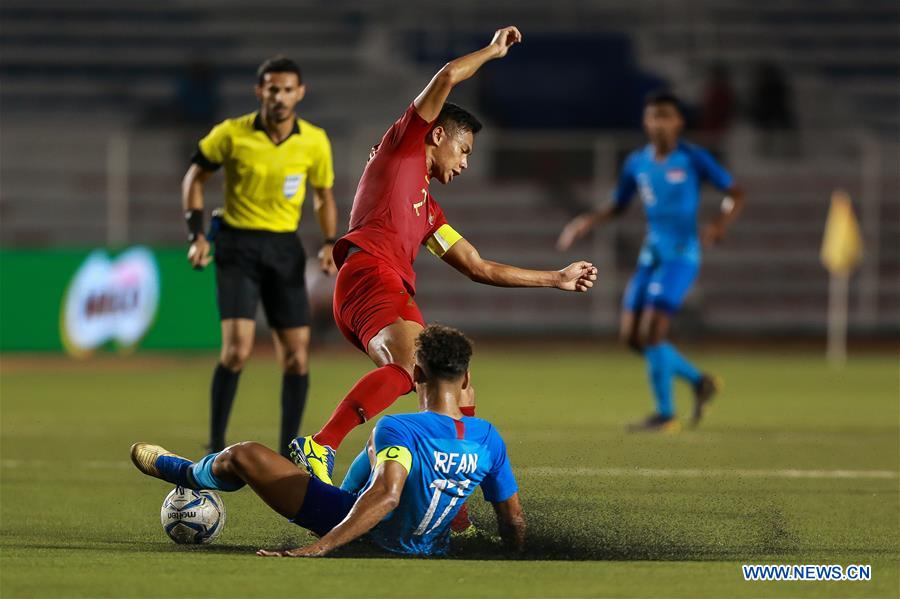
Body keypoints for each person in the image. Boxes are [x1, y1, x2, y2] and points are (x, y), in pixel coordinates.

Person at [290, 26, 597, 485]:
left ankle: (452, 507)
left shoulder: (429, 210)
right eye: (464, 149)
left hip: (383, 286)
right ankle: (320, 445)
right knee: (411, 368)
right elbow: (450, 74)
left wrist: (556, 278)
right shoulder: (403, 149)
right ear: (437, 136)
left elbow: (478, 266)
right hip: (369, 276)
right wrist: (494, 52)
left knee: (456, 379)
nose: (466, 162)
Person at [130, 325, 526, 557]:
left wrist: (318, 548)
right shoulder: (488, 438)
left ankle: (183, 471)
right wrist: (511, 554)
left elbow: (387, 497)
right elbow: (512, 519)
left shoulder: (400, 427)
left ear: (417, 374)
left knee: (246, 455)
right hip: (435, 543)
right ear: (467, 379)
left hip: (364, 531)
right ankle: (328, 479)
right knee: (378, 455)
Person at [557, 91, 745, 432]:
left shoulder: (693, 157)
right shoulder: (637, 163)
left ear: (678, 122)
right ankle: (699, 380)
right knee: (631, 337)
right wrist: (586, 219)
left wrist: (719, 225)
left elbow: (736, 193)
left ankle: (665, 413)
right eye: (653, 116)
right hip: (652, 253)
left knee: (653, 332)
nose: (659, 123)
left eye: (666, 116)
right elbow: (618, 205)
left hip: (681, 254)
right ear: (646, 122)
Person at [182, 56, 338, 456]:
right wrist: (197, 235)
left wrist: (329, 241)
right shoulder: (232, 134)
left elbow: (323, 196)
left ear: (300, 93)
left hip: (285, 248)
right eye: (273, 89)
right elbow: (195, 178)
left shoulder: (314, 141)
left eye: (287, 89)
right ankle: (216, 445)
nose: (280, 97)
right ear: (260, 92)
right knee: (236, 350)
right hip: (237, 246)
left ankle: (289, 449)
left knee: (297, 357)